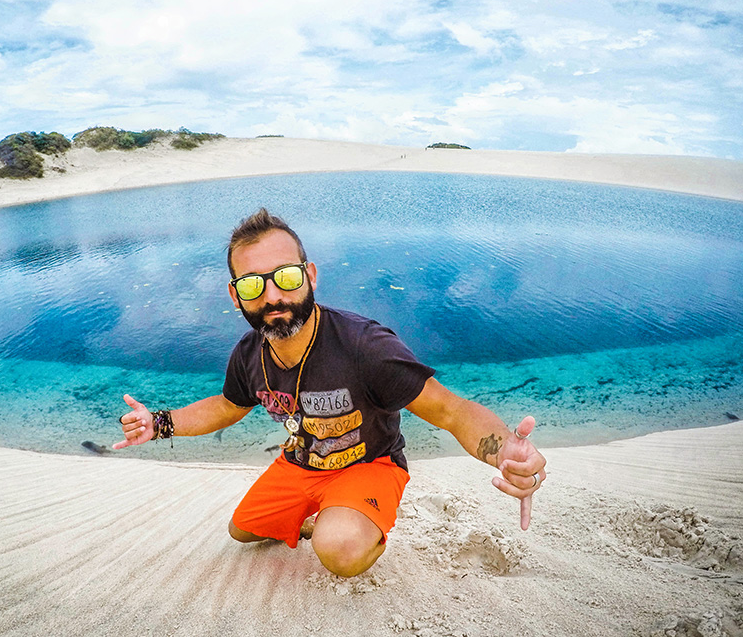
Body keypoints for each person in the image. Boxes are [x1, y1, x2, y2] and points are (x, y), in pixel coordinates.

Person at [114, 208, 546, 577]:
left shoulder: (365, 346)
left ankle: (359, 524)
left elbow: (450, 411)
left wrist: (504, 449)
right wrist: (161, 423)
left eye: (285, 276)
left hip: (369, 463)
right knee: (241, 530)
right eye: (251, 284)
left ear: (310, 276)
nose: (272, 295)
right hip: (300, 463)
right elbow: (227, 406)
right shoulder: (248, 354)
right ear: (235, 295)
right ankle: (318, 514)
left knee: (339, 550)